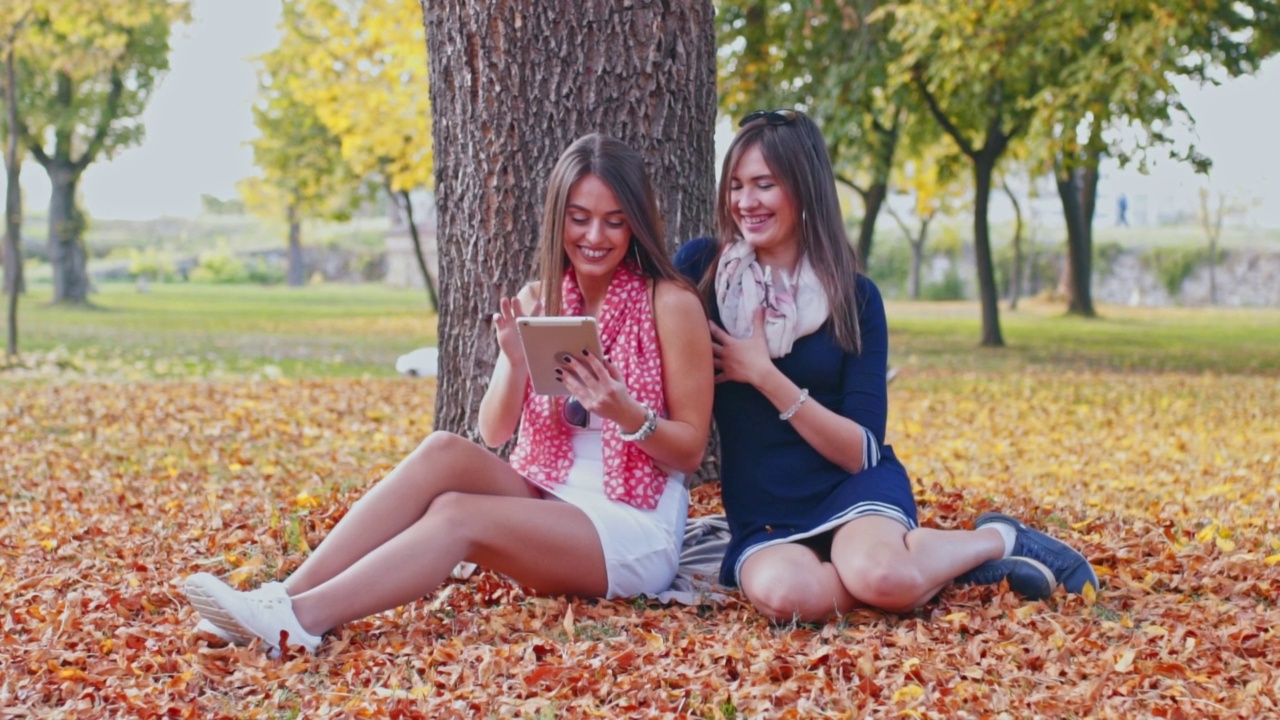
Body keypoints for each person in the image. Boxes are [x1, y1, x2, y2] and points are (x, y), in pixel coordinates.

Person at [183, 134, 714, 653]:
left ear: (637, 223)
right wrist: (513, 361)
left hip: (630, 526)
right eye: (580, 218)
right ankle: (281, 596)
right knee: (442, 449)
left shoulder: (670, 304)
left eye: (614, 221)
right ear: (559, 219)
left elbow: (690, 449)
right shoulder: (542, 298)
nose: (595, 235)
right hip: (552, 495)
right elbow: (494, 432)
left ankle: (298, 622)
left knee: (459, 514)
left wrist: (624, 412)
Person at [674, 109, 1096, 623]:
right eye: (736, 185)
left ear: (804, 189)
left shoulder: (856, 299)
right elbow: (638, 321)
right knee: (789, 597)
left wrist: (765, 375)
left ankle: (995, 538)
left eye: (764, 185)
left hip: (851, 488)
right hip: (765, 509)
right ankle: (936, 572)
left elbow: (861, 452)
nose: (745, 202)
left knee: (882, 577)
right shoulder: (704, 272)